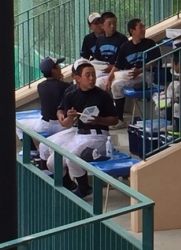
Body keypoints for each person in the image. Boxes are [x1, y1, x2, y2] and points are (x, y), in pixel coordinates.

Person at [39, 61, 118, 197]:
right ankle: (68, 186)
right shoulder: (71, 94)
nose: (92, 78)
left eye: (93, 74)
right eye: (87, 75)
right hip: (79, 134)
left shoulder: (102, 95)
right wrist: (69, 117)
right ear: (77, 77)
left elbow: (115, 119)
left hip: (99, 135)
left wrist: (99, 120)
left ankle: (84, 189)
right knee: (52, 162)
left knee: (72, 158)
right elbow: (67, 122)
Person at [108, 19, 160, 124]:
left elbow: (154, 63)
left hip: (147, 74)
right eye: (140, 27)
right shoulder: (125, 47)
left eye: (143, 27)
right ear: (132, 31)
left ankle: (118, 119)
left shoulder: (150, 43)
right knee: (115, 84)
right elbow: (118, 65)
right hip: (131, 75)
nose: (144, 29)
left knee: (119, 84)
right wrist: (108, 79)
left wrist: (139, 71)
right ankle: (119, 119)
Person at [93, 12, 128, 101]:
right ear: (102, 26)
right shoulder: (100, 39)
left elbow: (125, 62)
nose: (112, 26)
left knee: (98, 84)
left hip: (117, 72)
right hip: (102, 70)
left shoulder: (122, 39)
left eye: (114, 23)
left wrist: (112, 68)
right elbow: (97, 58)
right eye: (109, 24)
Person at [33, 57, 68, 135]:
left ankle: (30, 144)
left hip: (45, 125)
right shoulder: (65, 86)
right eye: (58, 66)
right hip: (61, 125)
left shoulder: (40, 86)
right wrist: (61, 80)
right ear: (53, 70)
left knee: (22, 127)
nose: (60, 68)